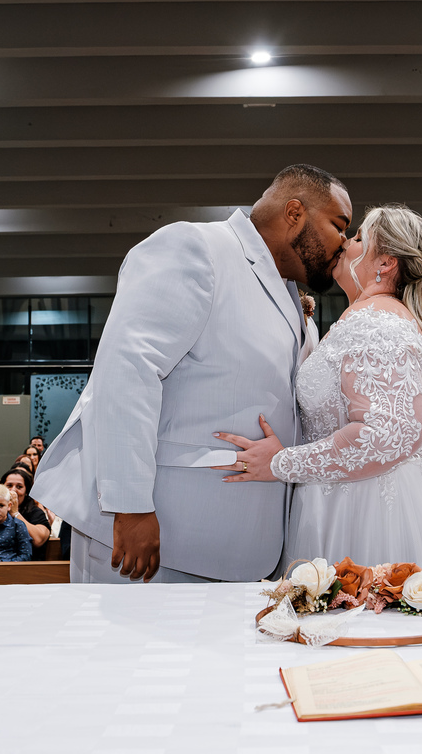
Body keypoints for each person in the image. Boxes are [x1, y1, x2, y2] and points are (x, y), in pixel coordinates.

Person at [36, 164, 351, 583]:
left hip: (236, 546)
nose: (345, 242)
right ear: (295, 213)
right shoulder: (197, 247)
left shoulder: (291, 295)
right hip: (155, 536)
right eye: (339, 225)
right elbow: (129, 369)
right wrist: (131, 507)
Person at [217, 204, 422, 579]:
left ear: (384, 264)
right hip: (361, 500)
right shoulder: (371, 317)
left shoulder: (377, 322)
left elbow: (387, 434)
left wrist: (281, 463)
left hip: (376, 515)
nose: (345, 244)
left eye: (359, 238)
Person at [0, 469, 51, 550]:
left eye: (19, 487)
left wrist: (15, 513)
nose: (13, 490)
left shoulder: (35, 512)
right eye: (9, 486)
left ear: (26, 491)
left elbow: (38, 540)